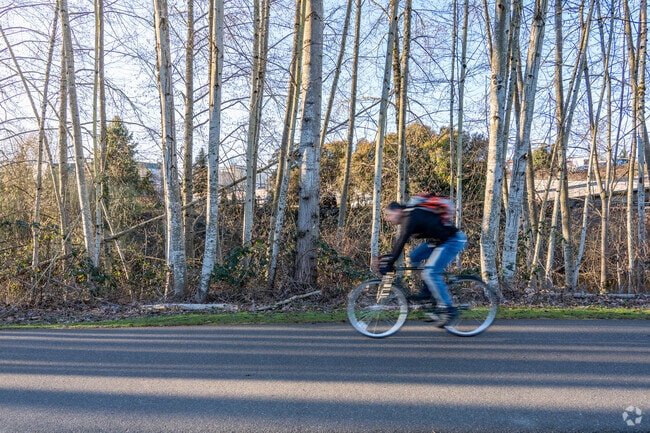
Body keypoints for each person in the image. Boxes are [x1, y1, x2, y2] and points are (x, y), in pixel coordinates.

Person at [379, 198, 467, 326]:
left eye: (388, 215)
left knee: (431, 273)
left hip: (452, 241)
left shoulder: (411, 217)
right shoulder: (408, 217)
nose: (387, 218)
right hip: (438, 241)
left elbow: (402, 240)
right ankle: (428, 291)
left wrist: (389, 262)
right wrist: (389, 259)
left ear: (398, 211)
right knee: (414, 256)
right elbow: (400, 243)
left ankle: (449, 309)